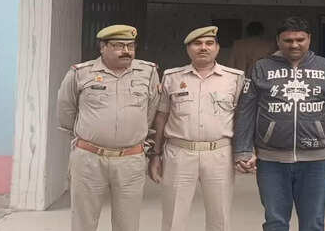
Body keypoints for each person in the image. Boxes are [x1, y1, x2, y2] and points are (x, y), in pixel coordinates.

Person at [233, 16, 325, 231]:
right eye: (288, 40)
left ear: (309, 39)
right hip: (271, 161)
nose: (294, 45)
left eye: (300, 39)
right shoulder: (261, 68)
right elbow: (246, 112)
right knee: (275, 222)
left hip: (317, 161)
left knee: (313, 223)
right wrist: (243, 150)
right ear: (278, 41)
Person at [57, 24, 160, 231]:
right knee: (84, 221)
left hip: (130, 159)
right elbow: (66, 111)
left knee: (128, 223)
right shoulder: (81, 73)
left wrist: (132, 132)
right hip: (89, 158)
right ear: (103, 47)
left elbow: (150, 111)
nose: (126, 51)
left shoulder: (148, 72)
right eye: (119, 45)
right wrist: (91, 134)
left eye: (131, 46)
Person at [149, 26, 245, 231]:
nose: (203, 48)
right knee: (173, 217)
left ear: (217, 48)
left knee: (220, 217)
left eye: (209, 43)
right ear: (188, 49)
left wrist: (243, 152)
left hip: (219, 153)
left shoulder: (235, 78)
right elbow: (162, 117)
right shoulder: (172, 77)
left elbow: (240, 119)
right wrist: (155, 154)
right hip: (179, 153)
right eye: (197, 43)